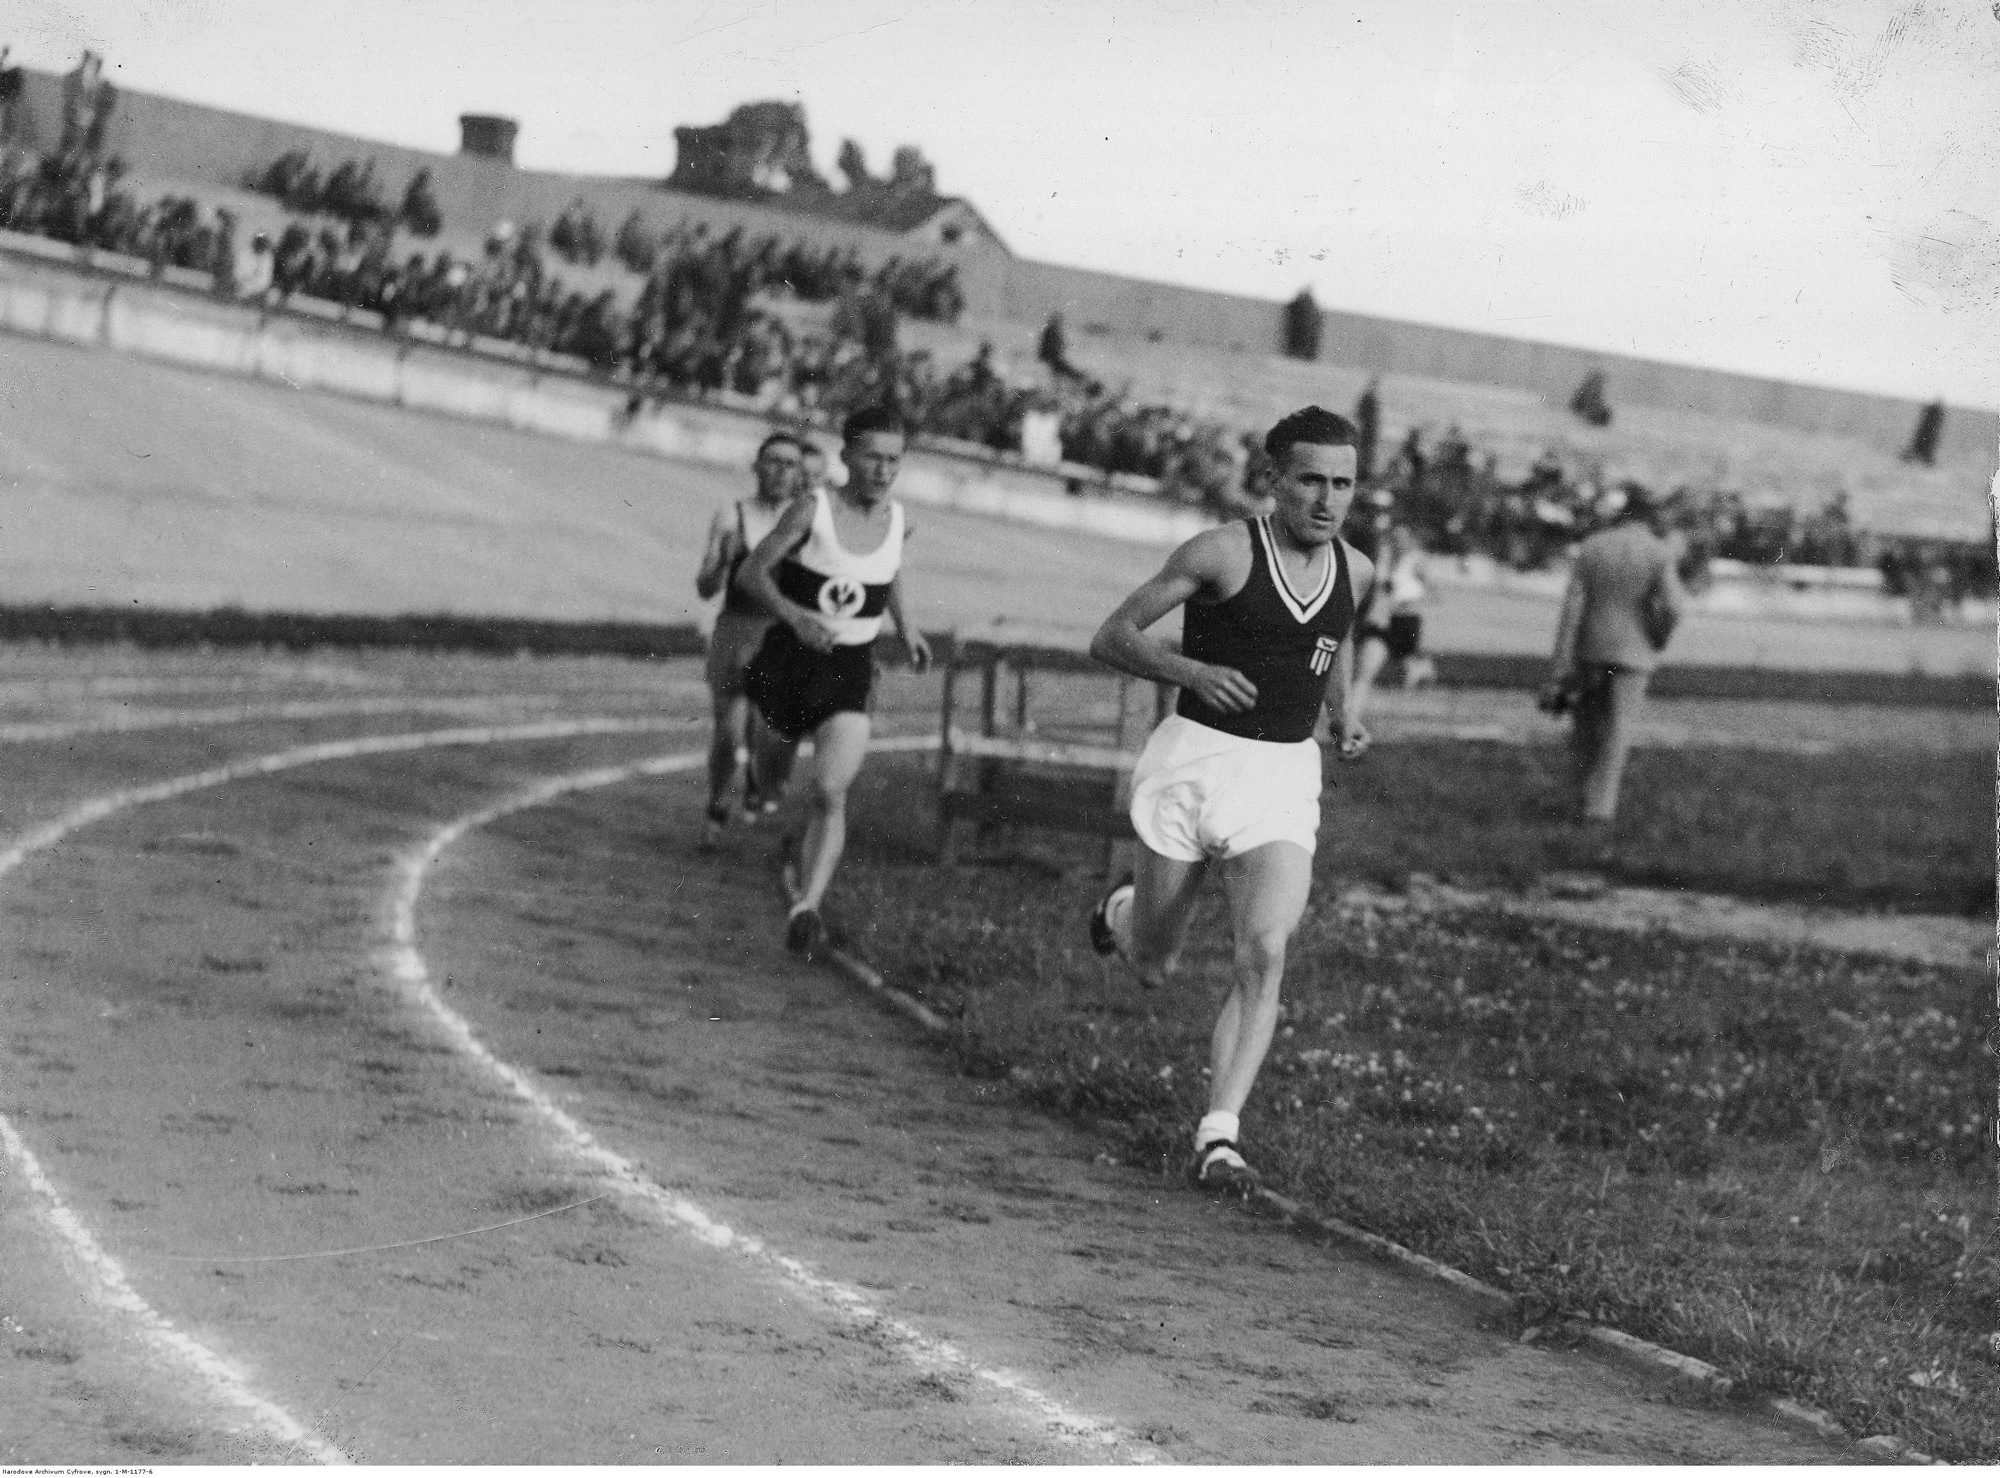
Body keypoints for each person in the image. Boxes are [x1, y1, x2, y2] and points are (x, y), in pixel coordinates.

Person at [1085, 406, 1373, 1194]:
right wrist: (1191, 673)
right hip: (1194, 762)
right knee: (1153, 963)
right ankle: (1121, 912)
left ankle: (1220, 1135)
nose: (1326, 499)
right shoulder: (1220, 552)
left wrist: (1341, 710)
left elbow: (1337, 634)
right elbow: (1112, 635)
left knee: (1267, 948)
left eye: (1343, 483)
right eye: (1310, 479)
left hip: (1280, 776)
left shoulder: (1359, 568)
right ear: (1273, 478)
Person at [736, 405, 931, 959]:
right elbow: (753, 573)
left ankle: (808, 905)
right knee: (772, 776)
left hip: (849, 668)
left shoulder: (900, 520)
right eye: (873, 456)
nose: (884, 470)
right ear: (846, 456)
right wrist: (795, 617)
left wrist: (908, 629)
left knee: (829, 790)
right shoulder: (812, 509)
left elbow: (889, 574)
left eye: (894, 460)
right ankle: (760, 776)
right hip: (789, 659)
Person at [1539, 482, 1686, 828]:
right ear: (1648, 517)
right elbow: (1675, 606)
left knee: (1586, 726)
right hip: (1635, 652)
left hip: (1591, 648)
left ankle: (1577, 797)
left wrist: (1562, 659)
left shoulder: (1593, 547)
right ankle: (1600, 809)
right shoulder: (1657, 552)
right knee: (1619, 728)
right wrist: (1658, 636)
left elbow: (1572, 609)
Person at [693, 431, 806, 845]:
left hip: (779, 636)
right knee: (728, 731)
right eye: (772, 461)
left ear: (800, 473)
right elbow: (705, 588)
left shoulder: (805, 521)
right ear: (757, 466)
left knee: (766, 732)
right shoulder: (731, 515)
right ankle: (718, 803)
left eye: (790, 464)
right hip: (735, 631)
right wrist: (721, 565)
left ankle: (760, 784)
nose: (780, 471)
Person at [1347, 519, 1435, 741]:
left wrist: (1406, 599)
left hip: (1406, 622)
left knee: (1405, 664)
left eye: (1402, 537)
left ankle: (1421, 667)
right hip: (1381, 622)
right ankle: (1348, 722)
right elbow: (1377, 589)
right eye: (1394, 537)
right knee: (1365, 670)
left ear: (1410, 539)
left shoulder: (1416, 560)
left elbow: (1432, 592)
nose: (1397, 541)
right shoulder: (1384, 558)